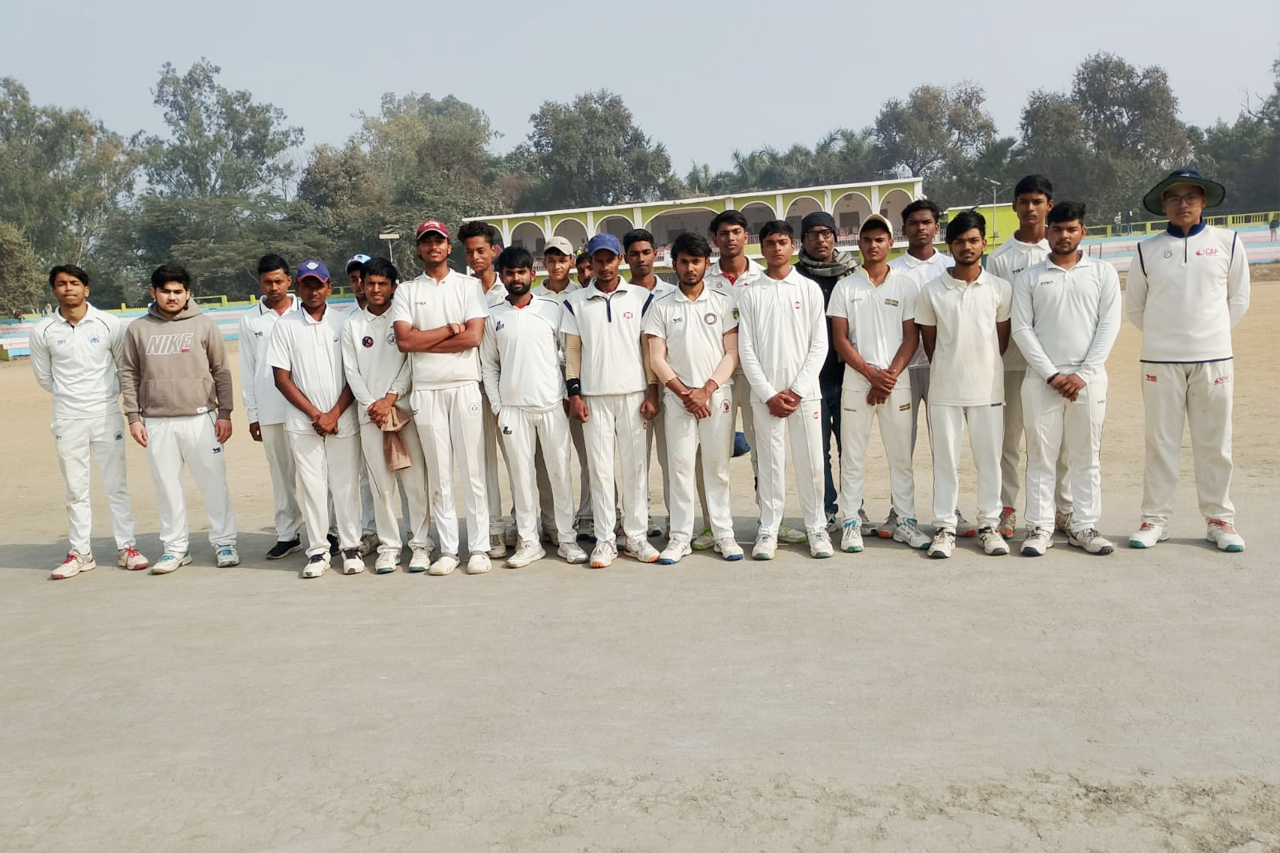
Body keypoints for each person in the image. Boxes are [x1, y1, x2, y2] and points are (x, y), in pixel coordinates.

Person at [1125, 168, 1251, 552]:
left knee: (1215, 443)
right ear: (1163, 204)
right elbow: (1135, 308)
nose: (1183, 204)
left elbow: (1238, 299)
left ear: (1203, 201)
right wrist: (1167, 338)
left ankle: (1219, 520)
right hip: (1159, 361)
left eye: (1191, 197)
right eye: (1174, 198)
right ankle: (1155, 520)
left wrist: (1208, 336)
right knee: (1160, 443)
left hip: (1214, 359)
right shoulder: (1147, 249)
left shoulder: (1228, 242)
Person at [1012, 201, 1121, 557]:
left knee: (1086, 456)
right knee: (1041, 456)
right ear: (1047, 232)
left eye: (1071, 229)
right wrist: (1053, 374)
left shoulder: (1102, 273)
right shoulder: (1029, 277)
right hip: (1041, 380)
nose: (1064, 236)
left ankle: (1083, 525)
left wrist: (1083, 374)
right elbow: (1022, 330)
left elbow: (1108, 326)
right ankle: (1040, 526)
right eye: (1057, 229)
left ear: (1082, 232)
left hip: (1089, 380)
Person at [31, 264, 148, 579]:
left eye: (74, 283)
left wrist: (105, 397)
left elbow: (124, 368)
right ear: (54, 290)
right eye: (61, 283)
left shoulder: (109, 324)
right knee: (76, 489)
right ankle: (80, 552)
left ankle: (127, 548)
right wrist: (72, 397)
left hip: (106, 415)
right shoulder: (43, 330)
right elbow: (44, 377)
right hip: (68, 418)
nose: (68, 288)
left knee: (116, 485)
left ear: (86, 289)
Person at [121, 263, 238, 574]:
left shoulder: (205, 325)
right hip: (157, 421)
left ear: (187, 293)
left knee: (214, 484)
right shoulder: (137, 329)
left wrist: (224, 413)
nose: (171, 297)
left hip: (201, 418)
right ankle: (175, 548)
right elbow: (129, 374)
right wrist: (133, 417)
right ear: (153, 292)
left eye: (178, 291)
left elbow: (221, 371)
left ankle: (224, 542)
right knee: (167, 487)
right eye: (165, 291)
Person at [391, 220, 492, 575]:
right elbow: (405, 341)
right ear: (419, 249)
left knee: (472, 471)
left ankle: (479, 547)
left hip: (463, 385)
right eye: (426, 241)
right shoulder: (407, 291)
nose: (433, 246)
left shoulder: (468, 286)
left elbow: (473, 338)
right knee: (440, 475)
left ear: (449, 247)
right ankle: (449, 549)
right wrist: (449, 330)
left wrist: (425, 340)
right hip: (426, 389)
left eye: (439, 241)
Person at [826, 214, 931, 554]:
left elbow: (911, 336)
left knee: (901, 456)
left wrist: (888, 376)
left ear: (890, 242)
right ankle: (851, 522)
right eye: (867, 240)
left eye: (879, 239)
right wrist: (870, 374)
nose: (873, 245)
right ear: (859, 243)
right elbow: (840, 339)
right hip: (857, 381)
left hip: (895, 381)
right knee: (852, 456)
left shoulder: (905, 286)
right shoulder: (846, 286)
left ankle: (905, 521)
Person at [480, 246, 588, 567]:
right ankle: (529, 542)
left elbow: (568, 355)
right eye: (509, 273)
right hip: (513, 410)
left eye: (521, 272)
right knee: (521, 477)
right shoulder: (493, 316)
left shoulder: (552, 309)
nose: (516, 278)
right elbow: (489, 365)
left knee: (559, 475)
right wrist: (498, 408)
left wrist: (567, 395)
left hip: (551, 405)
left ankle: (567, 539)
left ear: (531, 273)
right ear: (502, 276)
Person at [914, 210, 1012, 559]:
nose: (967, 247)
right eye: (959, 241)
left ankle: (989, 525)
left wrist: (980, 366)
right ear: (949, 245)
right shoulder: (931, 291)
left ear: (984, 243)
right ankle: (945, 527)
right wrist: (952, 366)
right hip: (944, 390)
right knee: (945, 462)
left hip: (988, 390)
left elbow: (1001, 340)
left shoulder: (1000, 289)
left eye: (973, 240)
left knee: (989, 461)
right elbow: (930, 343)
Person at [643, 232, 743, 563]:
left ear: (706, 263)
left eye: (696, 262)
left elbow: (732, 353)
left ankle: (723, 534)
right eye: (684, 262)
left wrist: (706, 390)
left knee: (717, 468)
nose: (690, 268)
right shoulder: (661, 306)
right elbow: (656, 358)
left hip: (716, 396)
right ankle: (680, 537)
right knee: (680, 468)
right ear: (674, 264)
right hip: (678, 400)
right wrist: (685, 393)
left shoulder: (723, 302)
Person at [562, 232, 661, 568]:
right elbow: (573, 351)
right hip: (594, 396)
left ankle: (635, 537)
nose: (604, 267)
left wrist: (651, 391)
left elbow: (648, 349)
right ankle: (605, 540)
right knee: (600, 470)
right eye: (598, 261)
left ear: (619, 259)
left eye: (609, 260)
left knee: (635, 468)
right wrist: (575, 394)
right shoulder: (576, 302)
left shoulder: (640, 297)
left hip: (633, 394)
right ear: (590, 262)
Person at [737, 220, 834, 560]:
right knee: (769, 465)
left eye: (782, 242)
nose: (777, 248)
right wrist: (768, 393)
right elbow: (746, 349)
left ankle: (816, 527)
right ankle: (769, 528)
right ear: (761, 247)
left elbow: (819, 345)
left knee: (812, 464)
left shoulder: (808, 289)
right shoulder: (751, 293)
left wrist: (798, 389)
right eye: (770, 243)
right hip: (765, 397)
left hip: (804, 395)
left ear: (792, 246)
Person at [986, 175, 1072, 540]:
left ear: (1049, 205)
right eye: (1024, 202)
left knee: (1059, 443)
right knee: (1008, 441)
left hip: (1055, 366)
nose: (1030, 208)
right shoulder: (1000, 259)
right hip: (1012, 363)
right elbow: (993, 313)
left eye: (1037, 201)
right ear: (1014, 206)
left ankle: (1063, 509)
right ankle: (1007, 508)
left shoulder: (1060, 251)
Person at [268, 261, 363, 578]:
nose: (313, 291)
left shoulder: (343, 323)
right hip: (303, 422)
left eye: (318, 285)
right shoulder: (285, 326)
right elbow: (282, 378)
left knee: (346, 485)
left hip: (341, 419)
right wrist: (315, 415)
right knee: (312, 487)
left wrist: (333, 413)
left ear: (329, 288)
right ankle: (319, 551)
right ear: (297, 287)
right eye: (307, 285)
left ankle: (350, 547)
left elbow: (354, 375)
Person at [341, 257, 434, 574]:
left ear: (394, 286)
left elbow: (411, 363)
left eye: (382, 283)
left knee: (414, 482)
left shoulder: (403, 319)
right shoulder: (352, 324)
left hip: (403, 412)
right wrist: (373, 405)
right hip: (371, 417)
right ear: (362, 285)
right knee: (381, 486)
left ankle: (420, 544)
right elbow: (351, 372)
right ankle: (389, 547)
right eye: (370, 283)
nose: (376, 289)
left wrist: (391, 397)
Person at [701, 209, 767, 550]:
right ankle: (716, 526)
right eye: (724, 233)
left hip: (757, 375)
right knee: (717, 455)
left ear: (746, 236)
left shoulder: (763, 277)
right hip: (719, 375)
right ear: (714, 239)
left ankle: (770, 522)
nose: (730, 238)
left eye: (736, 232)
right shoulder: (704, 279)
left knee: (763, 452)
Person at [794, 210, 858, 537]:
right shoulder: (794, 278)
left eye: (826, 233)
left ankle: (854, 510)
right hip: (811, 381)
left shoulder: (852, 274)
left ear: (836, 236)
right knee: (817, 452)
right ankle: (827, 510)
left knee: (851, 449)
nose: (820, 239)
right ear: (802, 240)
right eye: (813, 234)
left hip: (848, 377)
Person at [239, 254, 305, 560]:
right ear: (260, 283)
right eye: (268, 282)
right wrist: (253, 414)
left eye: (279, 281)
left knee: (318, 473)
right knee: (281, 476)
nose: (274, 287)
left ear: (289, 280)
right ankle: (287, 534)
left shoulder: (305, 311)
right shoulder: (250, 319)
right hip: (269, 408)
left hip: (307, 407)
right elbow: (247, 369)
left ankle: (330, 531)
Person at [459, 220, 513, 558]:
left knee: (518, 458)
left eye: (481, 250)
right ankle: (493, 528)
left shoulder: (508, 289)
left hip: (508, 388)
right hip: (471, 386)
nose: (475, 257)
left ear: (494, 251)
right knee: (482, 463)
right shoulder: (461, 290)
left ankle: (522, 522)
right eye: (469, 252)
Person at [538, 236, 591, 540]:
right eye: (551, 260)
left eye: (562, 260)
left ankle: (588, 515)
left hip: (579, 384)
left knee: (589, 455)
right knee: (549, 459)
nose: (556, 266)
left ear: (572, 262)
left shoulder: (581, 296)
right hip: (545, 384)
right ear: (544, 262)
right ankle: (551, 522)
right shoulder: (534, 297)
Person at [624, 227, 676, 537]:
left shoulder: (671, 293)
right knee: (636, 461)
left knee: (671, 460)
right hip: (634, 390)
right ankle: (640, 521)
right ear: (625, 258)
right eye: (634, 254)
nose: (641, 259)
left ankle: (675, 520)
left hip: (670, 388)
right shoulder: (621, 295)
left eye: (646, 252)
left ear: (655, 254)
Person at [344, 252, 379, 555]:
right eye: (354, 279)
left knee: (403, 471)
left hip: (395, 406)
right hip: (362, 407)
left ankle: (411, 533)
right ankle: (370, 530)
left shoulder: (396, 313)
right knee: (367, 475)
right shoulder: (346, 319)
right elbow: (349, 370)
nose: (360, 284)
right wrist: (369, 404)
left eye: (363, 278)